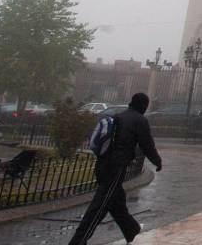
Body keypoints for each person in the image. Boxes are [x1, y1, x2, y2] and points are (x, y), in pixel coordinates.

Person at [68, 92, 162, 245]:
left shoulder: (119, 116)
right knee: (99, 207)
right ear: (144, 105)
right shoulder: (140, 120)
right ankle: (78, 241)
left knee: (116, 203)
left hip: (102, 165)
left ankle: (131, 229)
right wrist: (157, 161)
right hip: (115, 168)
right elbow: (147, 145)